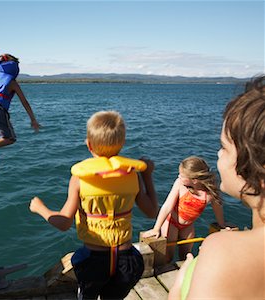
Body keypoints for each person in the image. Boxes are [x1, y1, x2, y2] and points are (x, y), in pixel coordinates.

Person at [29, 110, 158, 299]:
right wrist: (147, 175)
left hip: (93, 261)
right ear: (121, 144)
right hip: (127, 260)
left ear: (89, 145)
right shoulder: (133, 176)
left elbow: (64, 223)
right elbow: (152, 211)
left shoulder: (80, 180)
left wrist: (40, 208)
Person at [169, 75, 265, 300]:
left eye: (224, 147)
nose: (218, 154)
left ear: (258, 169)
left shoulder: (221, 252)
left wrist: (180, 284)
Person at [142, 156, 226, 262]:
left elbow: (217, 207)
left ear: (194, 180)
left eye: (182, 175)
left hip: (188, 226)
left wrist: (221, 224)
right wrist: (156, 228)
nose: (178, 177)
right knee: (168, 257)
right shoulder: (179, 184)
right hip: (171, 222)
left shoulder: (209, 193)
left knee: (186, 256)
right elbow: (167, 206)